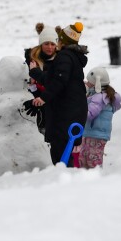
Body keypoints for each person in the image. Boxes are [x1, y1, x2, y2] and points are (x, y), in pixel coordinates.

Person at [27, 21, 88, 165]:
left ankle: (64, 180)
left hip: (66, 113)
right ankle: (66, 177)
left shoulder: (65, 57)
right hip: (69, 111)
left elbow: (59, 81)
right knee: (64, 151)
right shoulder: (72, 57)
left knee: (61, 152)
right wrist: (36, 73)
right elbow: (55, 78)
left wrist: (43, 97)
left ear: (61, 40)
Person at [79, 66, 121, 168]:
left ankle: (96, 180)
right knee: (84, 159)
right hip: (91, 133)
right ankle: (85, 179)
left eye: (88, 81)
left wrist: (78, 108)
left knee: (93, 160)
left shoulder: (99, 98)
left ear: (96, 83)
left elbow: (89, 114)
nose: (86, 82)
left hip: (95, 134)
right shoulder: (98, 95)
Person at [23, 23, 59, 135]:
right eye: (46, 43)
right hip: (37, 103)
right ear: (41, 44)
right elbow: (25, 80)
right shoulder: (32, 59)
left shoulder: (61, 59)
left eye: (53, 44)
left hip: (55, 104)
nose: (50, 47)